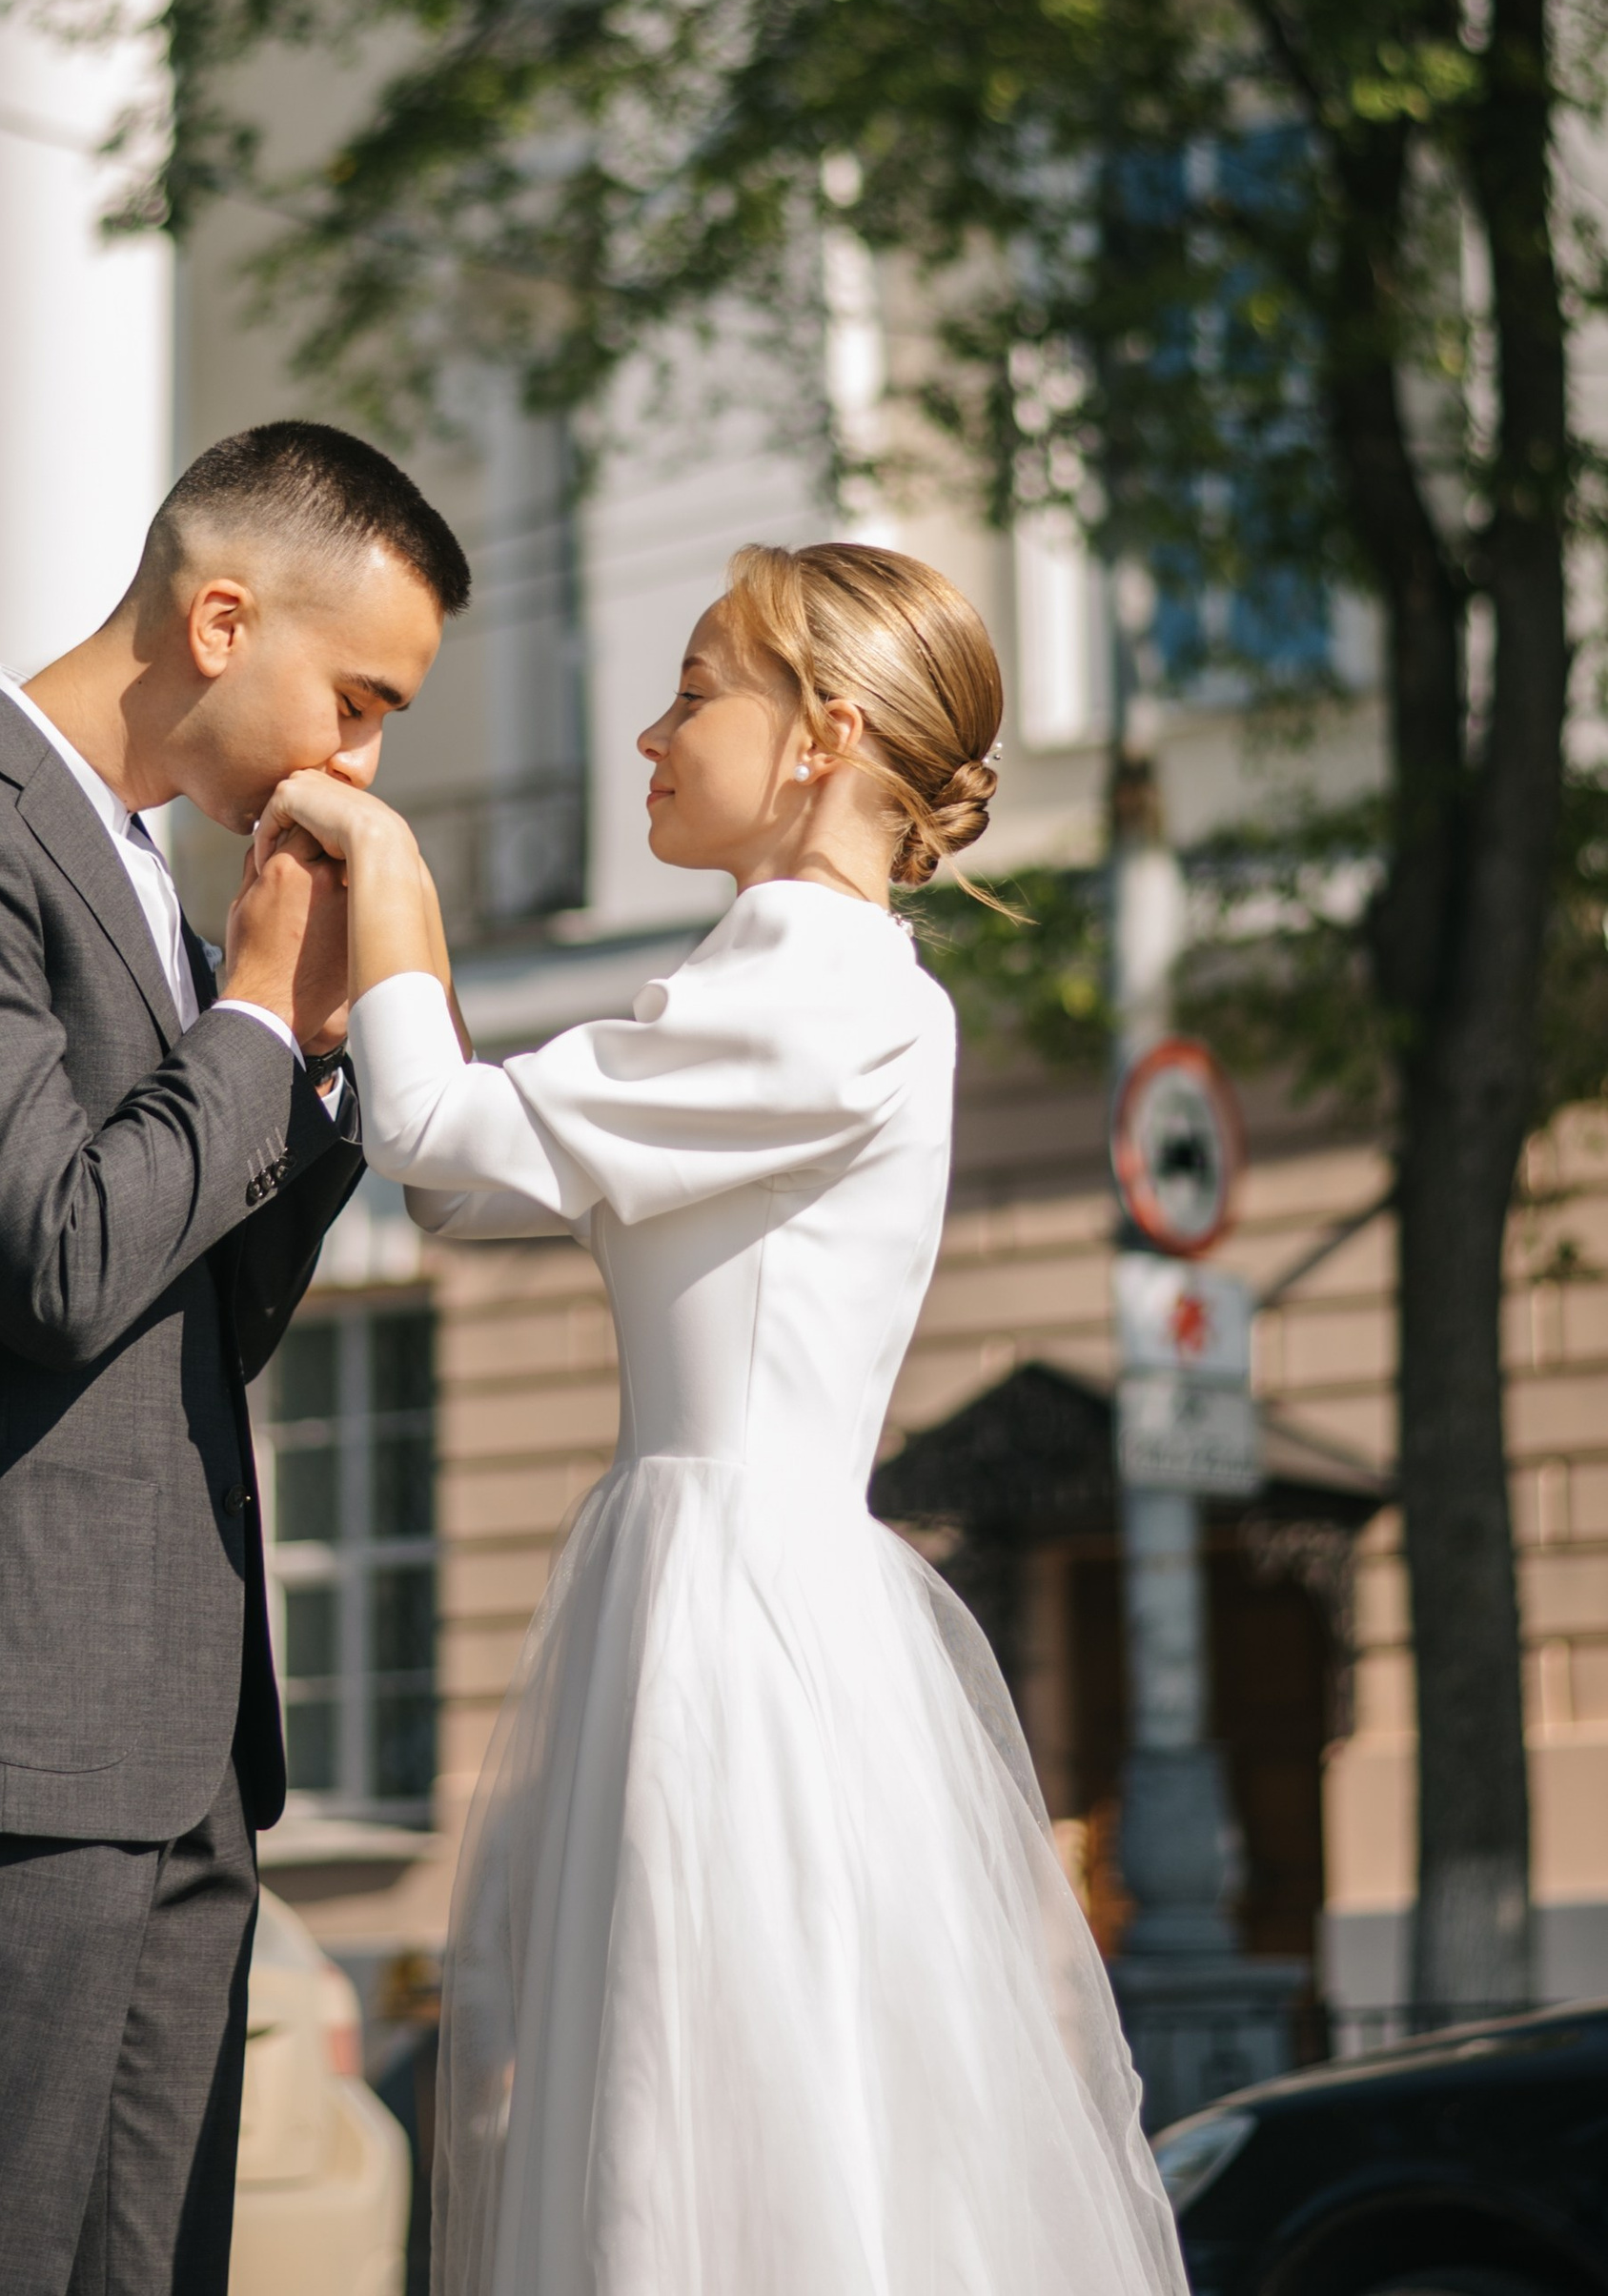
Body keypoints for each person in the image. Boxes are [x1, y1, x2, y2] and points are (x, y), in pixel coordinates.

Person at [257, 539, 1186, 2296]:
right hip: (714, 1580)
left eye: (697, 690)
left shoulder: (823, 986)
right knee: (706, 2100)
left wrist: (383, 858)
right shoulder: (786, 977)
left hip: (734, 1604)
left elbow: (441, 1144)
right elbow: (468, 1180)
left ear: (824, 736)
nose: (652, 736)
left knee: (713, 2114)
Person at [0, 420, 469, 2296]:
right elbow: (57, 1256)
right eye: (358, 700)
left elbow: (198, 1301)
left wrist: (300, 1063)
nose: (359, 764)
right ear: (221, 617)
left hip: (170, 1753)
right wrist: (246, 1011)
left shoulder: (145, 875)